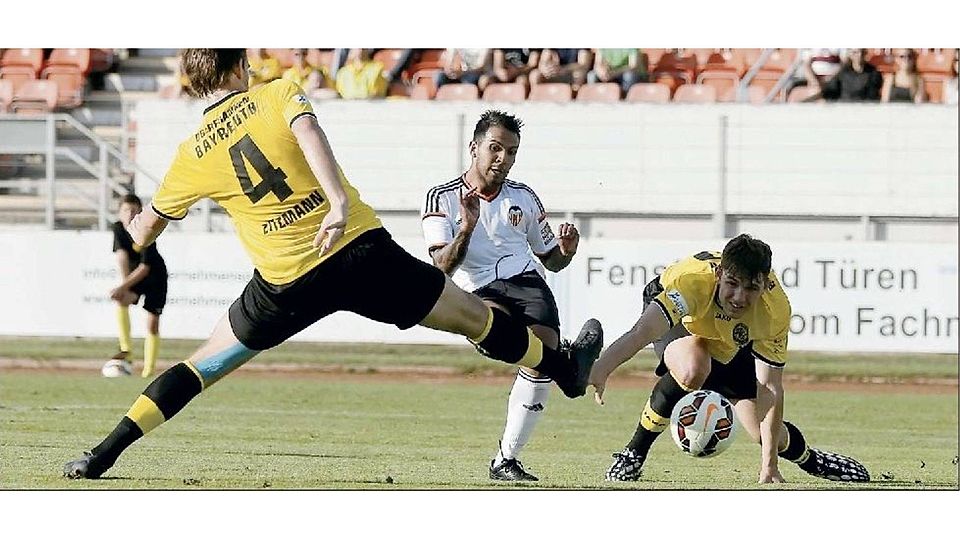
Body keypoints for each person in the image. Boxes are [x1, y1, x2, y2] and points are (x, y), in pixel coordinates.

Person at [63, 49, 602, 480]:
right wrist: (337, 204)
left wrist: (135, 226)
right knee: (474, 317)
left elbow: (146, 232)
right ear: (239, 69)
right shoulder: (276, 93)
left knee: (202, 365)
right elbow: (309, 133)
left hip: (284, 283)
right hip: (359, 253)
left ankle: (104, 453)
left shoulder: (190, 155)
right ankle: (564, 369)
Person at [588, 234, 870, 483]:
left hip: (730, 342)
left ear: (765, 283)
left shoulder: (775, 312)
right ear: (720, 273)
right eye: (732, 283)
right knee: (693, 368)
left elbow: (770, 388)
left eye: (751, 288)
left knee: (762, 433)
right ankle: (634, 452)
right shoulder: (691, 285)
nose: (739, 297)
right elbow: (641, 333)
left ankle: (810, 460)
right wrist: (601, 368)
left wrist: (768, 465)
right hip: (688, 323)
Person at [422, 110, 581, 482]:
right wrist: (467, 227)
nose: (502, 159)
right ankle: (571, 370)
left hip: (526, 282)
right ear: (474, 148)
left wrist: (567, 250)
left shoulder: (524, 197)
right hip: (477, 289)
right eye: (495, 148)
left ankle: (506, 459)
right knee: (504, 332)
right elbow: (441, 266)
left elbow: (551, 261)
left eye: (511, 152)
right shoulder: (441, 197)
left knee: (540, 358)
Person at [109, 193, 168, 378]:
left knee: (152, 323)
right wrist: (125, 285)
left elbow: (145, 267)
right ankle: (127, 350)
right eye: (126, 210)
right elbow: (122, 257)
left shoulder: (145, 229)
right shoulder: (118, 229)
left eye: (134, 210)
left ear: (141, 212)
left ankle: (148, 370)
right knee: (121, 299)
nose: (130, 215)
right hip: (135, 277)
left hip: (155, 278)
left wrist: (123, 286)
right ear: (119, 213)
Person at [803, 48, 882, 102]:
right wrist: (806, 101)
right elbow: (829, 92)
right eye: (855, 52)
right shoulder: (844, 73)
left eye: (861, 52)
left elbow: (873, 98)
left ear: (865, 53)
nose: (859, 55)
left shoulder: (873, 73)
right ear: (850, 55)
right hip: (844, 111)